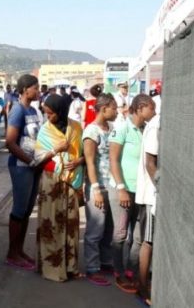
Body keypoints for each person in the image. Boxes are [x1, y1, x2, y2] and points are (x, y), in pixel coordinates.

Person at [109, 94, 156, 294]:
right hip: (123, 190)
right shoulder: (123, 128)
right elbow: (113, 160)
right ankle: (118, 273)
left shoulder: (147, 130)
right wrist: (121, 188)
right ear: (140, 108)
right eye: (151, 108)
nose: (154, 112)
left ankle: (132, 270)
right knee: (120, 234)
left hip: (140, 192)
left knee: (138, 236)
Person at [34, 94, 84, 282]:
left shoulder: (77, 128)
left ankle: (70, 267)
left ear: (61, 111)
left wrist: (79, 160)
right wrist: (56, 149)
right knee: (51, 222)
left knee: (70, 224)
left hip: (71, 181)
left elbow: (84, 154)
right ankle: (52, 268)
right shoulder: (44, 131)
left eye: (51, 113)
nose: (48, 117)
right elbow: (37, 158)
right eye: (46, 113)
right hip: (51, 181)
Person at [5, 74, 42, 270]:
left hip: (33, 165)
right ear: (25, 89)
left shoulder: (34, 110)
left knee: (27, 210)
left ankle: (19, 250)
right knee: (19, 210)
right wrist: (29, 161)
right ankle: (12, 253)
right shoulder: (18, 111)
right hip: (21, 167)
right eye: (35, 88)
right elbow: (10, 142)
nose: (38, 91)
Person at [82, 93, 118, 286]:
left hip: (111, 185)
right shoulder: (91, 132)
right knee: (95, 229)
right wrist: (95, 189)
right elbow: (90, 163)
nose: (117, 111)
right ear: (104, 109)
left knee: (109, 228)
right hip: (98, 186)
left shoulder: (112, 128)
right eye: (114, 108)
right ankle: (92, 267)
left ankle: (106, 262)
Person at [135, 102, 160, 305]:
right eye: (151, 107)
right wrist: (159, 186)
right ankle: (142, 287)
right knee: (148, 241)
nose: (155, 111)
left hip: (156, 193)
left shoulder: (155, 123)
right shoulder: (155, 125)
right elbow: (149, 162)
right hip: (153, 195)